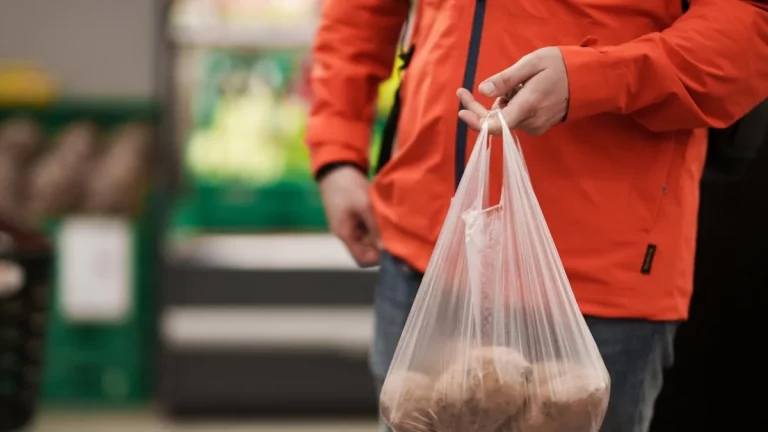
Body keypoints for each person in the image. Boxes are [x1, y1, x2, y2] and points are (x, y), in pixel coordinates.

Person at [305, 0, 768, 431]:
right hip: (424, 249)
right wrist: (337, 148)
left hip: (596, 274)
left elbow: (750, 22)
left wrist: (596, 78)